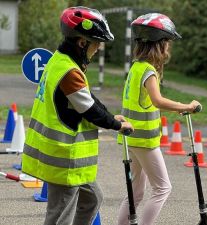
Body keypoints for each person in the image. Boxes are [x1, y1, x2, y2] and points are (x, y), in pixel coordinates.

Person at [21, 6, 133, 225]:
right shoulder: (69, 72)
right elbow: (89, 109)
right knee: (60, 215)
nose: (99, 49)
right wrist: (116, 126)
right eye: (97, 43)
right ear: (82, 43)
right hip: (64, 157)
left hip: (70, 159)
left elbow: (86, 97)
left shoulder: (61, 60)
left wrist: (112, 117)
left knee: (92, 199)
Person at [117, 13, 200, 225]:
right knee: (163, 188)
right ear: (160, 45)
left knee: (135, 193)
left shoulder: (135, 67)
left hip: (131, 138)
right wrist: (186, 106)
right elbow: (158, 100)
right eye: (167, 43)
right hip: (144, 141)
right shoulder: (148, 71)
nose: (169, 48)